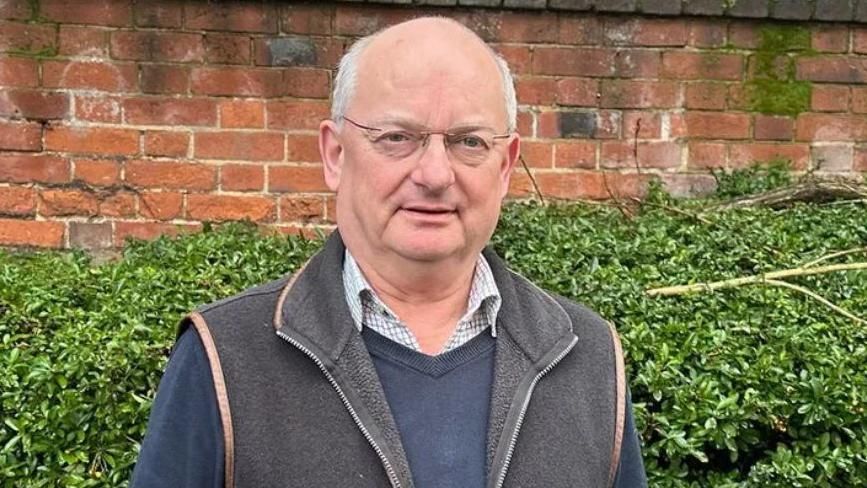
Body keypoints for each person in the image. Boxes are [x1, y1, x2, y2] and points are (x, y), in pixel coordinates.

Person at [131, 17, 647, 488]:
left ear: (506, 166)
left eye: (469, 142)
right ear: (335, 154)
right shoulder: (224, 360)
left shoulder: (589, 359)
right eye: (398, 137)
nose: (435, 175)